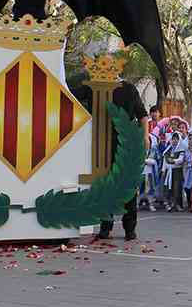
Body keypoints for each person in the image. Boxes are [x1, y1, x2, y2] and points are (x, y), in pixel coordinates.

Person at [71, 80, 148, 241]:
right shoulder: (91, 85)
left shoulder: (128, 88)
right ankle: (105, 227)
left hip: (126, 142)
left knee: (127, 185)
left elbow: (142, 114)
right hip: (101, 145)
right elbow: (69, 96)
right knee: (105, 184)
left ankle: (129, 228)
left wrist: (145, 137)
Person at [162, 132, 185, 212]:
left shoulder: (181, 149)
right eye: (173, 139)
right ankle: (169, 204)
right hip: (169, 172)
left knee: (177, 188)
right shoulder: (168, 149)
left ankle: (177, 204)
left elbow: (180, 160)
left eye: (176, 139)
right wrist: (163, 170)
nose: (174, 141)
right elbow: (165, 160)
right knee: (168, 188)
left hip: (177, 171)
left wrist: (173, 161)